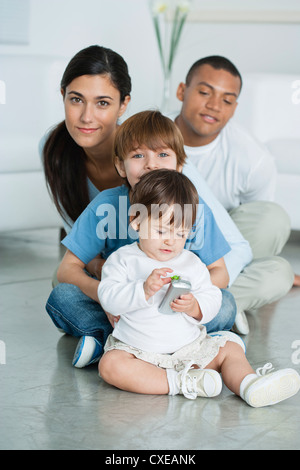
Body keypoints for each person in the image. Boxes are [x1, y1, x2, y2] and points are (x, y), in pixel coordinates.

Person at [47, 110, 238, 368]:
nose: (151, 165)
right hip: (121, 306)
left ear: (179, 165)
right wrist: (106, 298)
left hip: (173, 314)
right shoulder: (107, 206)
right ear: (120, 166)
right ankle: (113, 341)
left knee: (225, 304)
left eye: (163, 154)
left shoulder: (194, 208)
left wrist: (187, 300)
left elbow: (220, 273)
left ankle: (116, 346)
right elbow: (67, 270)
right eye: (138, 155)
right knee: (63, 297)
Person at [98, 169, 300, 407]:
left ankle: (249, 384)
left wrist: (195, 306)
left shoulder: (191, 263)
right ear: (135, 221)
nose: (170, 241)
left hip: (190, 349)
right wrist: (142, 290)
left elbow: (212, 297)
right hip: (139, 352)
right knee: (110, 366)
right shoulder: (123, 260)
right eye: (161, 230)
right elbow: (108, 298)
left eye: (181, 233)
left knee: (230, 347)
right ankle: (182, 384)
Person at [174, 55, 298, 335]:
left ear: (235, 108)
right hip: (162, 242)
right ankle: (217, 308)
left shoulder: (253, 159)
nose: (214, 106)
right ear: (183, 91)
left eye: (227, 100)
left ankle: (202, 305)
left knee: (278, 260)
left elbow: (256, 238)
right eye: (204, 92)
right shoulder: (153, 136)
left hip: (219, 252)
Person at [41, 44, 131, 280]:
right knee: (62, 285)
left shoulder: (151, 151)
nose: (86, 117)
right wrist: (95, 266)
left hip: (158, 264)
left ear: (123, 104)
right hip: (105, 267)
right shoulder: (53, 148)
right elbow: (74, 226)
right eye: (77, 100)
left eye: (102, 103)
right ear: (63, 95)